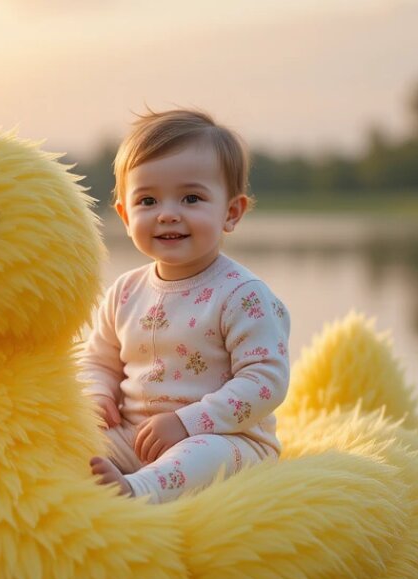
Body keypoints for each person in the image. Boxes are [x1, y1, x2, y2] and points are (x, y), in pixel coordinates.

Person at [80, 109, 292, 503]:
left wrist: (186, 422)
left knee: (200, 455)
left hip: (227, 441)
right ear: (125, 216)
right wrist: (98, 395)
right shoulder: (125, 292)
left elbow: (265, 382)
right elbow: (98, 360)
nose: (168, 213)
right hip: (135, 435)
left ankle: (135, 492)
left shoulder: (242, 295)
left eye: (191, 198)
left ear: (231, 213)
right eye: (147, 200)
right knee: (78, 446)